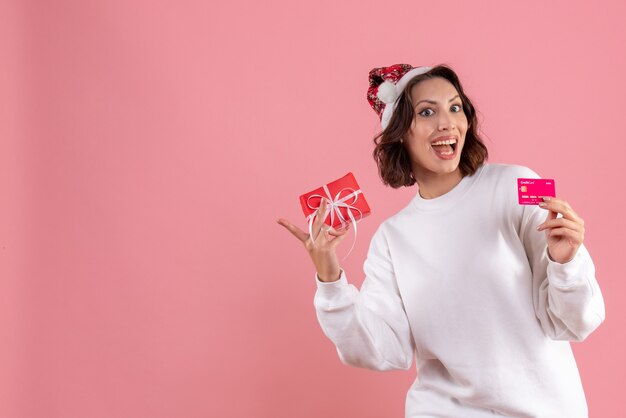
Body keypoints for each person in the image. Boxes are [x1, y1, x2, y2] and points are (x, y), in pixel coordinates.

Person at [277, 63, 605, 417]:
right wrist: (330, 280)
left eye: (455, 107)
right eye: (427, 112)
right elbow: (382, 349)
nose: (447, 123)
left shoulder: (518, 185)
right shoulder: (392, 237)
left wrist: (565, 263)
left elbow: (574, 323)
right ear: (400, 131)